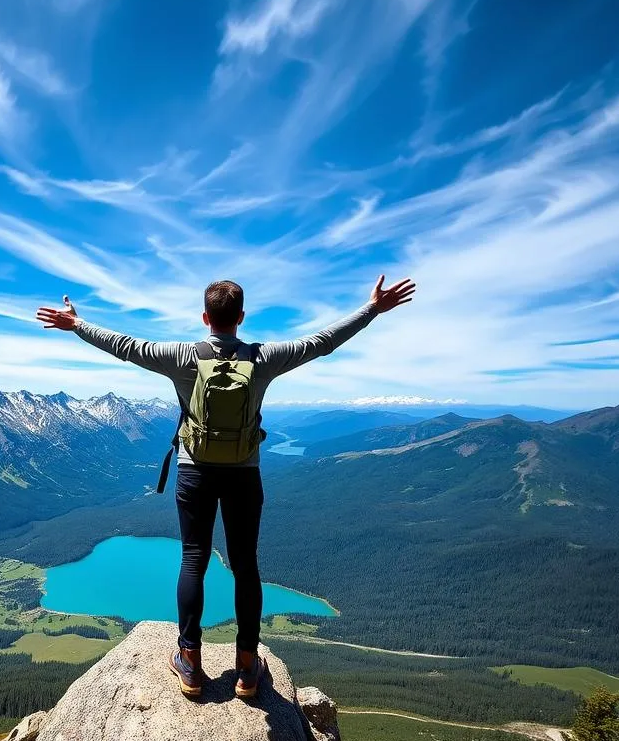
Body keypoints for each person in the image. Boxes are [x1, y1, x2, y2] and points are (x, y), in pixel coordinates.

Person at [36, 275, 415, 699]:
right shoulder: (264, 358)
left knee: (194, 559)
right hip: (243, 475)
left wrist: (78, 325)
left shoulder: (181, 357)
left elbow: (124, 345)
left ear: (204, 318)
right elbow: (323, 341)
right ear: (241, 317)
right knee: (245, 564)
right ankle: (247, 668)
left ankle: (191, 663)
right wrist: (372, 310)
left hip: (194, 472)